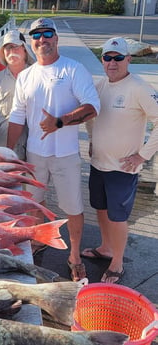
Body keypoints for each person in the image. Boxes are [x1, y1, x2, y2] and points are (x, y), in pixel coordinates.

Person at [7, 18, 100, 282]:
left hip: (66, 155)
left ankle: (75, 256)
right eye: (36, 35)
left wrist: (59, 122)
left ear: (56, 38)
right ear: (31, 43)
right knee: (35, 202)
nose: (42, 39)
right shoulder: (26, 75)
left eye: (48, 33)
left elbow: (92, 106)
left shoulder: (73, 69)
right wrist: (8, 153)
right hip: (36, 154)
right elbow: (17, 116)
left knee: (72, 207)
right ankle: (41, 239)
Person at [81, 37, 158, 284]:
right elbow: (91, 117)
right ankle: (105, 248)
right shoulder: (100, 86)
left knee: (118, 217)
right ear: (102, 60)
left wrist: (143, 155)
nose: (112, 63)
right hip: (98, 164)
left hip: (123, 168)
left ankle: (118, 262)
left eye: (117, 58)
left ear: (128, 59)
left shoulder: (139, 87)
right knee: (100, 209)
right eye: (107, 58)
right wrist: (92, 140)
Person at [0, 29, 35, 160]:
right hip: (3, 148)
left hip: (33, 150)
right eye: (7, 48)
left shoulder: (38, 75)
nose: (11, 52)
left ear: (24, 49)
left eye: (15, 47)